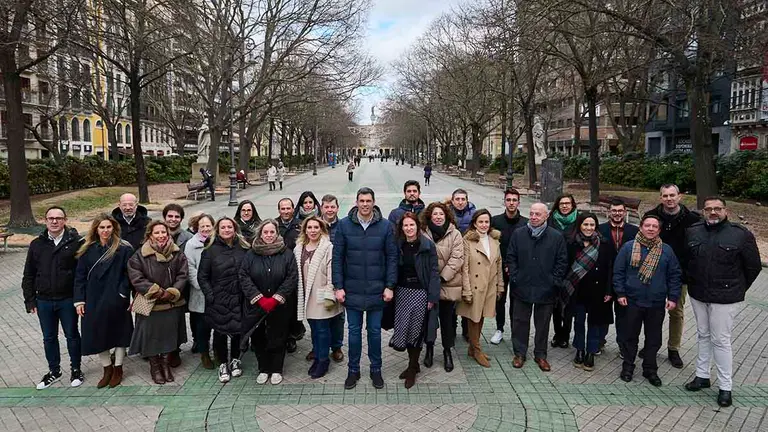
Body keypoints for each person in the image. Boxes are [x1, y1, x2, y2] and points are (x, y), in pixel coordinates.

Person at [684, 197, 762, 407]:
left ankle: (725, 386)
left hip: (725, 297)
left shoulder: (740, 234)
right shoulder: (694, 231)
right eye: (708, 209)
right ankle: (702, 376)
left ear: (725, 210)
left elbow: (753, 267)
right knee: (703, 334)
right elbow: (687, 260)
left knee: (720, 340)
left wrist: (737, 288)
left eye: (717, 209)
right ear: (703, 211)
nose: (712, 212)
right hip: (698, 293)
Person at [332, 187, 398, 390]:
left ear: (374, 202)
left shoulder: (385, 226)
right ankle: (353, 370)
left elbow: (392, 258)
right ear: (356, 202)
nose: (365, 204)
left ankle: (376, 370)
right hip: (351, 290)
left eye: (368, 201)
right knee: (353, 332)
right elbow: (337, 258)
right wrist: (338, 286)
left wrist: (389, 286)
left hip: (377, 290)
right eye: (362, 201)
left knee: (375, 332)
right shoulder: (344, 225)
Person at [613, 214, 681, 386]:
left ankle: (650, 369)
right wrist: (620, 293)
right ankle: (628, 366)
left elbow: (674, 275)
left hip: (656, 302)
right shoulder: (628, 248)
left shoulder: (666, 250)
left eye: (654, 226)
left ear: (659, 230)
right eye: (647, 225)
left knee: (653, 338)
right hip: (632, 301)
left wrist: (673, 297)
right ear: (641, 227)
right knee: (630, 337)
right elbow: (618, 272)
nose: (651, 229)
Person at [22, 206, 85, 390]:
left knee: (72, 335)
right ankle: (54, 371)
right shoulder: (37, 244)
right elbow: (29, 275)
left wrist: (80, 298)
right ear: (45, 220)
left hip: (68, 299)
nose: (54, 221)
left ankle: (76, 369)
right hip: (44, 301)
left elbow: (81, 274)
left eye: (58, 218)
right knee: (49, 337)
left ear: (65, 220)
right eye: (51, 218)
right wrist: (30, 300)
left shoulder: (75, 242)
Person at [643, 184, 701, 368]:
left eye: (672, 195)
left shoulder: (692, 219)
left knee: (676, 312)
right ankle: (650, 344)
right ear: (660, 197)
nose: (669, 199)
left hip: (680, 274)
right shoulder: (652, 216)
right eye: (665, 196)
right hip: (654, 273)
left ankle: (673, 348)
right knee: (652, 311)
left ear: (679, 196)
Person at [74, 214, 134, 388]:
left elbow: (129, 274)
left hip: (115, 297)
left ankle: (118, 368)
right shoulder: (87, 249)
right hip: (93, 298)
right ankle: (107, 368)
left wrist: (123, 293)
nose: (105, 231)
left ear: (114, 228)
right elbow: (80, 276)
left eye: (109, 227)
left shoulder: (124, 248)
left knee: (120, 333)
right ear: (96, 229)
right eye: (102, 227)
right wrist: (79, 300)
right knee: (98, 333)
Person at [507, 203, 568, 372]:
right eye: (532, 213)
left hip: (546, 288)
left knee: (542, 324)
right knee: (520, 322)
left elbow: (562, 262)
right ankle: (519, 353)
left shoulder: (556, 237)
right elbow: (511, 257)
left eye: (538, 214)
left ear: (546, 216)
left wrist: (554, 281)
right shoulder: (519, 234)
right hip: (522, 286)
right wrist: (515, 276)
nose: (533, 217)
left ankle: (540, 355)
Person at [127, 221, 189, 385]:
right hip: (151, 304)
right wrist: (158, 291)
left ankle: (166, 365)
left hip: (172, 303)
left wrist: (173, 292)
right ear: (150, 235)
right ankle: (155, 367)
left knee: (170, 337)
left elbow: (183, 275)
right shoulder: (139, 255)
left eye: (164, 232)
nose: (161, 235)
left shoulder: (177, 253)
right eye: (157, 233)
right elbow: (136, 278)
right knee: (151, 338)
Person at [239, 219, 298, 385]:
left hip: (279, 305)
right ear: (261, 233)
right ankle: (263, 368)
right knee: (259, 338)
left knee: (278, 336)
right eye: (266, 232)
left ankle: (277, 368)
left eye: (272, 232)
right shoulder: (251, 254)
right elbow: (244, 276)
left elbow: (292, 276)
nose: (269, 235)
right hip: (257, 305)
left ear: (277, 233)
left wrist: (278, 297)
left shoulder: (286, 253)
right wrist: (258, 297)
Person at [390, 212, 440, 388]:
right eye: (405, 225)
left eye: (412, 225)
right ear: (401, 228)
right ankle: (414, 364)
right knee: (404, 329)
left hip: (420, 292)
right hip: (402, 292)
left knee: (416, 331)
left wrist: (432, 296)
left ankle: (412, 368)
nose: (409, 228)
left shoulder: (427, 246)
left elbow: (434, 272)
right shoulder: (398, 244)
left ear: (417, 227)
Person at [198, 217, 250, 384]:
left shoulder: (243, 248)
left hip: (239, 297)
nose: (227, 230)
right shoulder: (210, 250)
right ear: (217, 230)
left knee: (237, 331)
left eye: (230, 227)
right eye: (223, 227)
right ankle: (222, 363)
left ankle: (235, 360)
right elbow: (203, 276)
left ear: (235, 229)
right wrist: (210, 295)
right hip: (218, 299)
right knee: (220, 332)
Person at [563, 213, 614, 372]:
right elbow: (566, 267)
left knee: (594, 323)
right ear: (580, 225)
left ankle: (591, 352)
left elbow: (610, 269)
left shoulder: (604, 244)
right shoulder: (571, 243)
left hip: (598, 291)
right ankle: (579, 349)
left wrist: (609, 290)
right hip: (577, 290)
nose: (589, 228)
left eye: (592, 225)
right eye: (585, 224)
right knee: (578, 322)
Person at [295, 216, 344, 379]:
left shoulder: (328, 247)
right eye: (309, 227)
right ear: (305, 230)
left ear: (322, 229)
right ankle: (317, 356)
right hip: (307, 295)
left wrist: (330, 290)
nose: (313, 230)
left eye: (316, 227)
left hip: (322, 294)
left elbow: (333, 270)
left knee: (322, 330)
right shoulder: (299, 248)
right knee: (314, 329)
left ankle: (323, 361)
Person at [456, 209, 504, 368]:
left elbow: (498, 265)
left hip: (489, 286)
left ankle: (472, 348)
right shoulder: (467, 241)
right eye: (480, 222)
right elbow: (465, 268)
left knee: (481, 316)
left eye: (486, 222)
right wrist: (466, 290)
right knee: (473, 318)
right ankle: (477, 350)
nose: (484, 225)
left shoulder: (494, 240)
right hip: (474, 286)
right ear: (474, 223)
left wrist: (500, 286)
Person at [420, 202, 464, 372]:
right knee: (429, 321)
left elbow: (457, 258)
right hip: (428, 286)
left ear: (447, 216)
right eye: (435, 214)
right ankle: (429, 349)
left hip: (448, 284)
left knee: (447, 321)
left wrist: (442, 277)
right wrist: (430, 280)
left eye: (441, 214)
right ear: (429, 216)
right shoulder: (423, 232)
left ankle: (447, 351)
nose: (438, 217)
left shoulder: (455, 234)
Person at [305, 194, 345, 364]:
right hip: (318, 279)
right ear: (321, 208)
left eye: (333, 207)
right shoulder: (316, 225)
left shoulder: (343, 226)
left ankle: (336, 347)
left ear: (337, 208)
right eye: (326, 207)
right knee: (317, 315)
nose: (330, 210)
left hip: (339, 277)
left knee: (336, 315)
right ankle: (318, 347)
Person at [598, 199, 639, 351]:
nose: (617, 213)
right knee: (602, 313)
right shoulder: (600, 229)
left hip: (626, 280)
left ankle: (623, 345)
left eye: (620, 211)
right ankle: (599, 341)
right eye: (614, 211)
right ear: (609, 212)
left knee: (624, 316)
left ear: (625, 212)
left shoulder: (634, 231)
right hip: (604, 279)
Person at [490, 189, 528, 345]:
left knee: (516, 300)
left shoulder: (525, 223)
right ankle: (499, 329)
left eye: (514, 200)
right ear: (504, 201)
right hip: (499, 267)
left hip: (519, 268)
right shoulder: (495, 221)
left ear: (519, 202)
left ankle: (515, 330)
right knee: (500, 299)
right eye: (508, 200)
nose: (511, 203)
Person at [184, 214, 215, 370]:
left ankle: (217, 350)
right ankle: (204, 353)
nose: (205, 229)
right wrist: (202, 285)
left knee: (218, 323)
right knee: (202, 326)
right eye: (202, 226)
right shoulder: (191, 244)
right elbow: (189, 268)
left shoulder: (217, 241)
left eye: (208, 226)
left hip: (217, 291)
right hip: (200, 291)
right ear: (197, 228)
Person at [548, 194, 579, 349]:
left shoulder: (578, 220)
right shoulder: (551, 220)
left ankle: (565, 335)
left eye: (568, 203)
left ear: (573, 205)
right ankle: (556, 333)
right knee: (556, 305)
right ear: (557, 205)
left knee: (568, 305)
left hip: (573, 269)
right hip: (554, 267)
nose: (565, 206)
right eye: (562, 204)